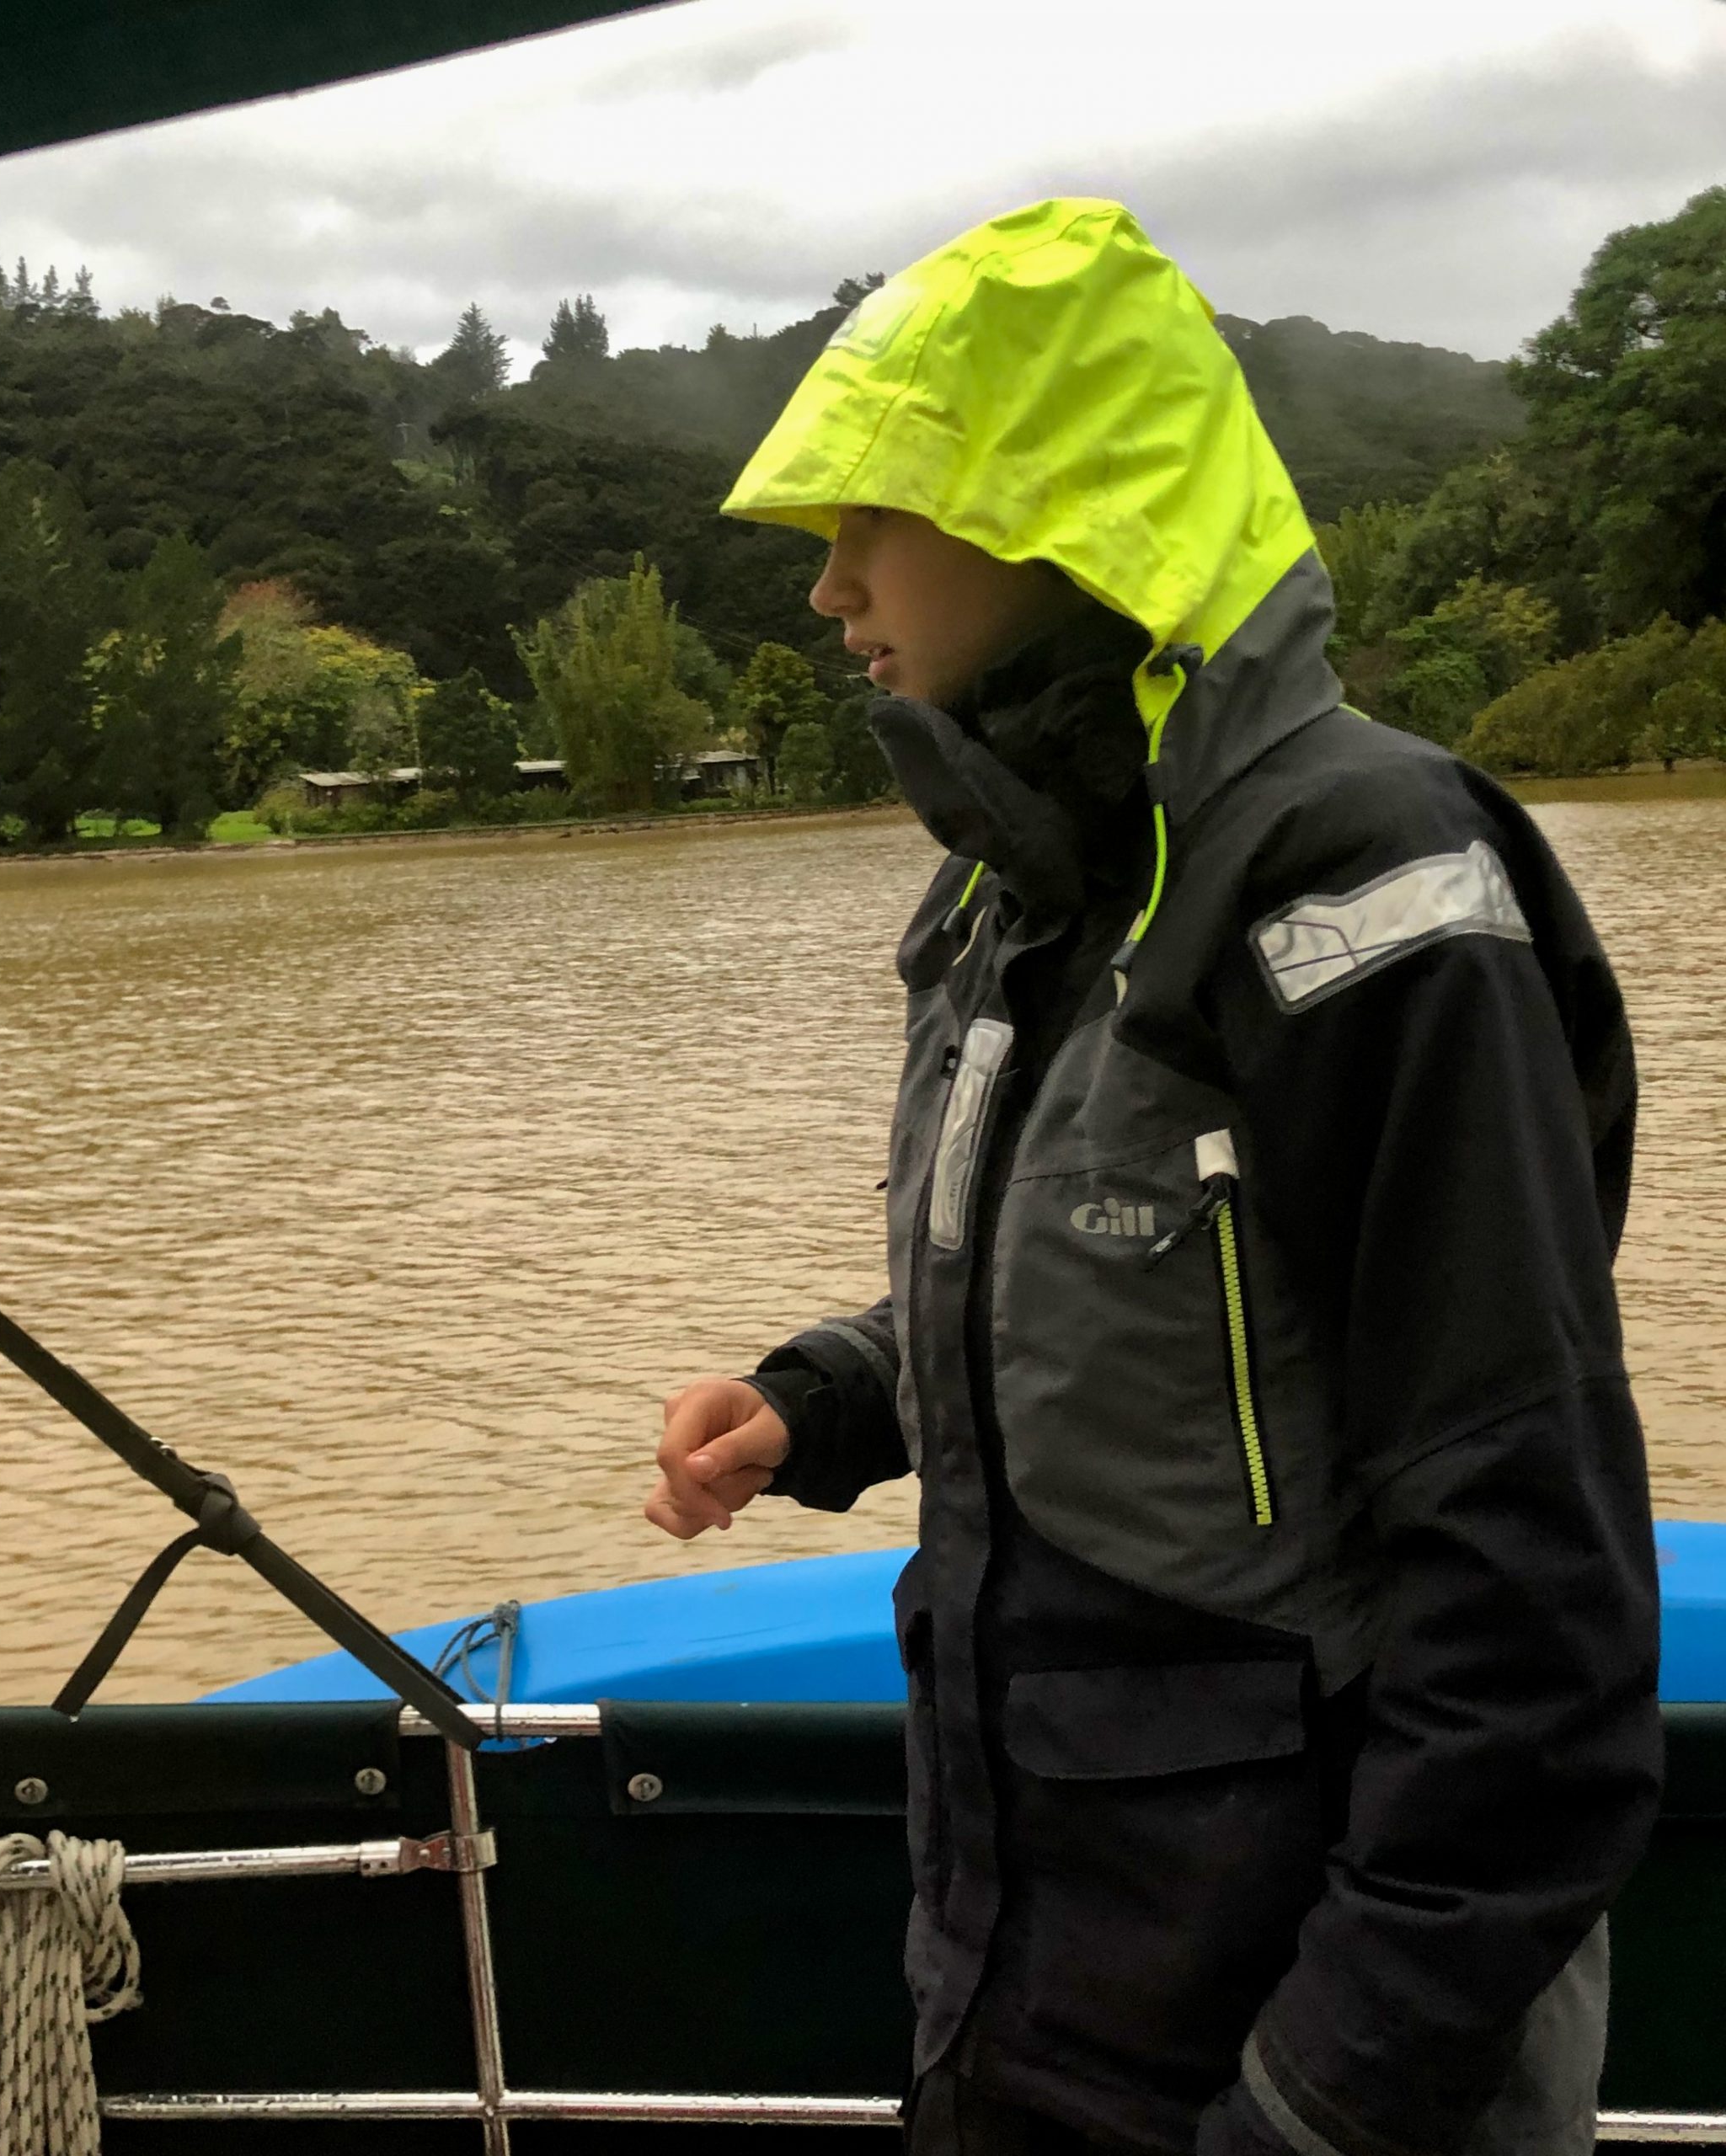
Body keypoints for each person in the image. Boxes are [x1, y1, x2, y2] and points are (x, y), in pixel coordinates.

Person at [644, 200, 1660, 2156]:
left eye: (869, 515)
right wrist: (822, 1397)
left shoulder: (1359, 878)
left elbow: (1526, 1603)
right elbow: (1126, 1286)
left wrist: (1320, 2100)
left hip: (1297, 2067)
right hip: (1028, 2003)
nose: (827, 584)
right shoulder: (1017, 892)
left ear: (1048, 515)